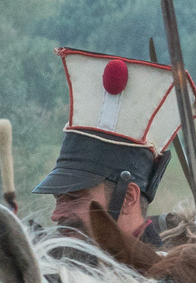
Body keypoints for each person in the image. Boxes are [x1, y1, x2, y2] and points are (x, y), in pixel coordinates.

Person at [35, 54, 177, 244]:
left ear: (128, 198)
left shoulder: (164, 274)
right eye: (58, 199)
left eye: (75, 197)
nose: (56, 214)